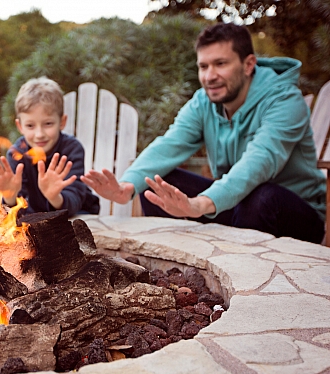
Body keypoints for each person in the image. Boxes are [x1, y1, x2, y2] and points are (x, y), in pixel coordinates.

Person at [81, 22, 326, 244]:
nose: (210, 76)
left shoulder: (285, 100)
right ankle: (175, 270)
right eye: (203, 66)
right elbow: (170, 144)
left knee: (261, 196)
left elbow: (260, 161)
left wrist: (200, 204)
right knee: (156, 184)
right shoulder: (203, 103)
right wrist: (126, 187)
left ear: (249, 64)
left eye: (221, 64)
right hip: (237, 206)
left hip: (295, 215)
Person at [0, 77, 100, 217]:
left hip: (77, 217)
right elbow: (16, 212)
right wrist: (10, 196)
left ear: (62, 122)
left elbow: (75, 198)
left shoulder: (72, 149)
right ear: (20, 126)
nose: (39, 134)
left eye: (48, 124)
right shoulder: (17, 154)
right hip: (37, 221)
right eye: (30, 125)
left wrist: (54, 196)